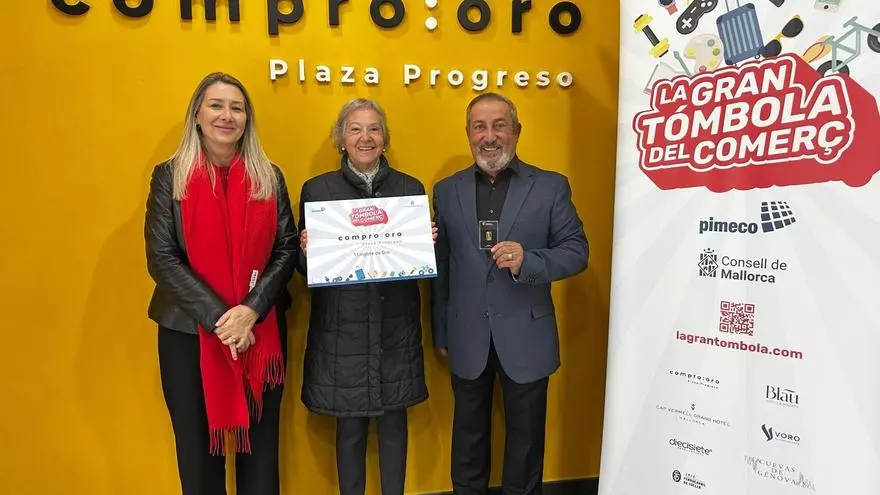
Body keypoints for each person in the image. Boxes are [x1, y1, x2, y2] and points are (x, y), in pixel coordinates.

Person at [144, 72, 297, 495]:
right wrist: (223, 320)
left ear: (247, 119)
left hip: (260, 334)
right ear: (197, 114)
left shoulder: (270, 177)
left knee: (261, 454)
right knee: (198, 456)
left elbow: (286, 248)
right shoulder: (169, 176)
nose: (226, 116)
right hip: (188, 335)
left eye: (236, 108)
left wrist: (250, 312)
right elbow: (162, 258)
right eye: (216, 105)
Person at [430, 92, 589, 494]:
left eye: (499, 125)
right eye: (479, 127)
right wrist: (441, 329)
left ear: (517, 131)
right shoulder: (446, 190)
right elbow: (443, 266)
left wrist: (528, 261)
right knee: (467, 444)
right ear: (468, 133)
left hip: (527, 336)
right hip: (467, 336)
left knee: (526, 446)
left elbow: (577, 252)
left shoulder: (551, 187)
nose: (489, 136)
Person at [296, 98, 435, 495]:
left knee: (394, 428)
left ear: (385, 138)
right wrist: (307, 252)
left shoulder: (409, 189)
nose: (365, 137)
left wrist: (425, 244)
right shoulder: (317, 191)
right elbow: (304, 270)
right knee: (349, 430)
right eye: (355, 129)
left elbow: (420, 264)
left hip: (396, 330)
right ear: (341, 139)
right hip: (343, 333)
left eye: (374, 128)